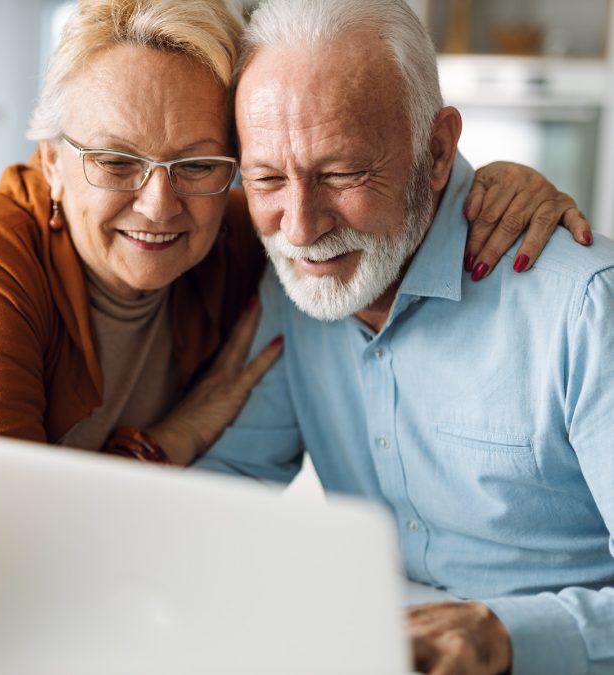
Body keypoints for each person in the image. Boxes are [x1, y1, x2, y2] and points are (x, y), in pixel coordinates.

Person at [0, 0, 589, 547]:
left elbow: (347, 184)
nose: (159, 204)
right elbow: (1, 549)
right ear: (49, 160)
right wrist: (176, 437)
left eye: (199, 163)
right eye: (116, 160)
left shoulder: (247, 236)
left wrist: (492, 182)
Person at [192, 1, 614, 674]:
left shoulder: (583, 308)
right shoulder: (300, 290)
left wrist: (508, 636)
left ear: (438, 150)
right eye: (268, 178)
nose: (299, 228)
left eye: (341, 173)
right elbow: (216, 500)